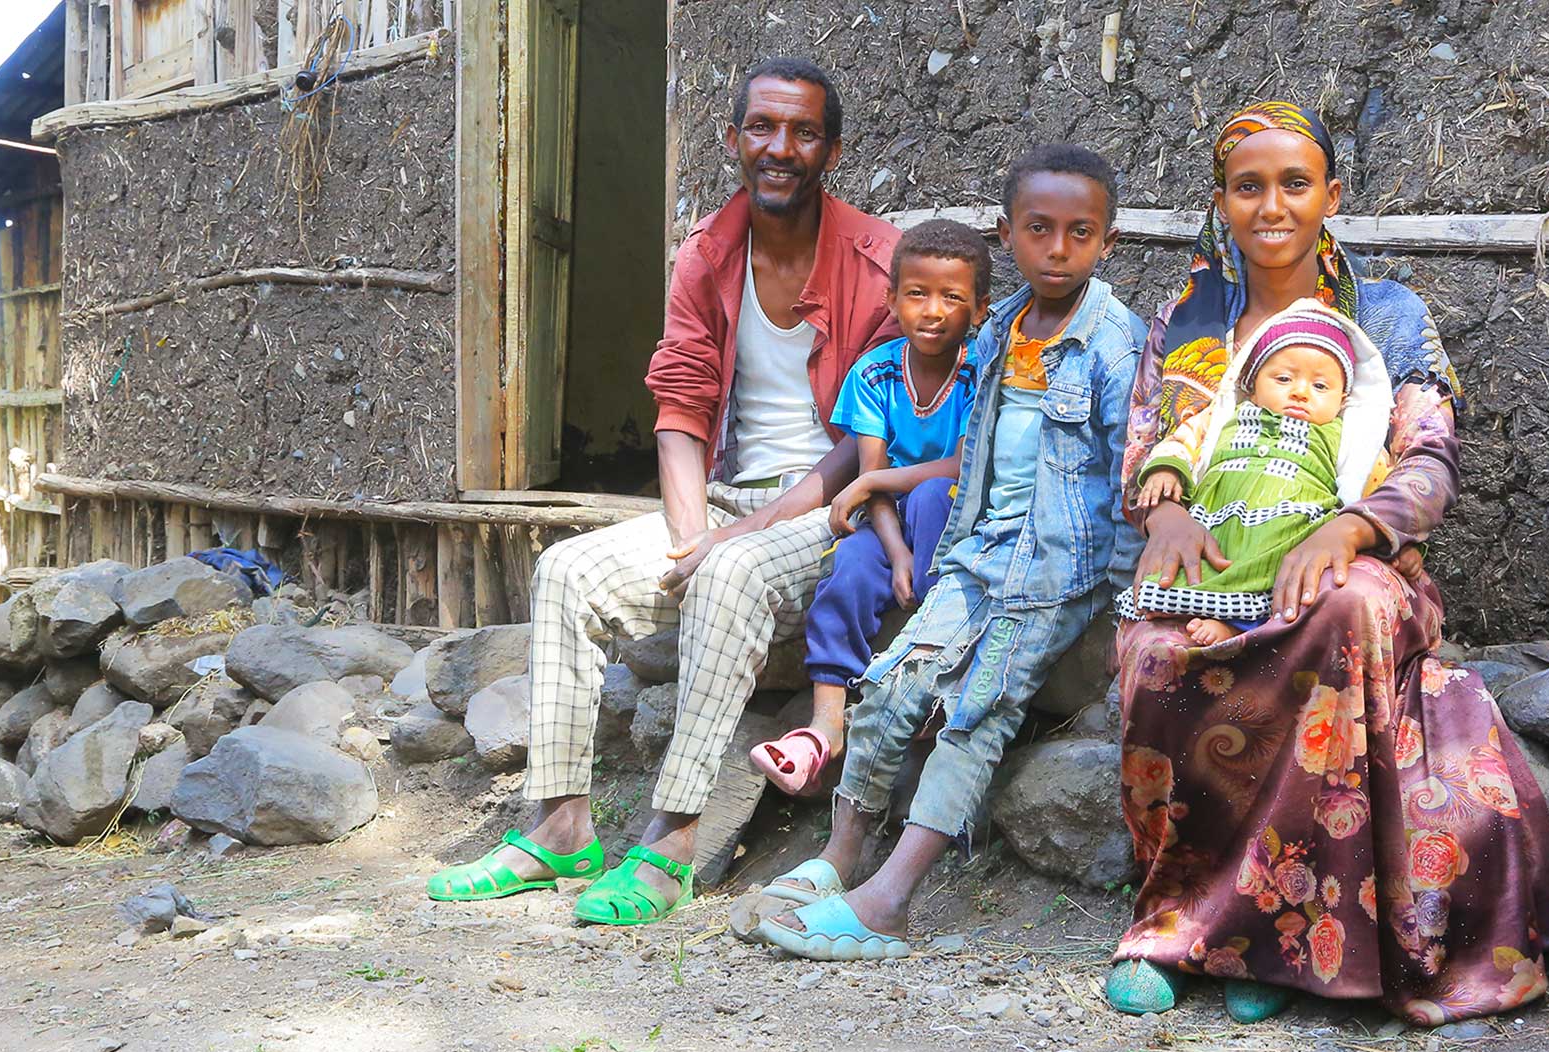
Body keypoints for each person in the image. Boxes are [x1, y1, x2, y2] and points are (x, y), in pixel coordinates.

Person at [1104, 101, 1549, 1025]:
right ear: (1221, 201)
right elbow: (1148, 448)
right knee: (1154, 653)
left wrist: (1350, 530)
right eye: (1248, 186)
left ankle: (1277, 945)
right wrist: (1165, 515)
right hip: (1216, 561)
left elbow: (1430, 457)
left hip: (1354, 561)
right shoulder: (1186, 322)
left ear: (1332, 195)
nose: (1271, 205)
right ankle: (1181, 923)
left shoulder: (1389, 316)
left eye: (1295, 183)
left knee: (1345, 607)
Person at [424, 58, 901, 926]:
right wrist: (690, 536)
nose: (780, 148)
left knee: (731, 572)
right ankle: (560, 826)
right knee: (568, 572)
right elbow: (680, 407)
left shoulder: (878, 261)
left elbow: (866, 440)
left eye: (803, 132)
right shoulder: (708, 253)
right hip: (722, 502)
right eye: (762, 127)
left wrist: (731, 542)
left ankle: (673, 838)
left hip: (832, 513)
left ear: (831, 152)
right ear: (733, 139)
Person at [750, 144, 1144, 958]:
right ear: (1007, 234)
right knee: (892, 685)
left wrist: (1121, 597)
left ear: (1108, 242)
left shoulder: (1115, 344)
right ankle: (838, 861)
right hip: (982, 551)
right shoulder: (999, 330)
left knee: (975, 710)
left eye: (1080, 233)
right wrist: (957, 546)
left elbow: (1129, 472)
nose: (1058, 249)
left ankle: (890, 900)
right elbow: (977, 457)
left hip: (1055, 569)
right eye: (1039, 229)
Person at [750, 219, 990, 795]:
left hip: (953, 519)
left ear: (980, 309)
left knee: (931, 495)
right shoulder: (875, 373)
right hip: (889, 520)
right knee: (851, 566)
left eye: (953, 298)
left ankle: (931, 688)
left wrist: (873, 482)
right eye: (917, 294)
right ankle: (825, 726)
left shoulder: (980, 372)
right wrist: (895, 550)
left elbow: (962, 466)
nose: (933, 311)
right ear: (892, 299)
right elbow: (870, 480)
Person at [1120, 301, 1393, 644]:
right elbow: (1185, 441)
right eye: (1283, 378)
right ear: (1250, 385)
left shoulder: (1347, 437)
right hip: (1219, 523)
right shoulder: (1224, 419)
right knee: (1199, 568)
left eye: (1321, 386)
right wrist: (1166, 470)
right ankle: (1192, 610)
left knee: (1292, 581)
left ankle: (1240, 627)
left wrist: (1399, 546)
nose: (1300, 392)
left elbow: (1380, 489)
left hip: (1291, 532)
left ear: (1343, 400)